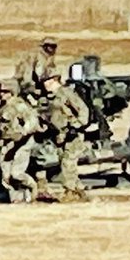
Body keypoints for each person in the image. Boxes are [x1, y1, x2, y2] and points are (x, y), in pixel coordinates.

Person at [41, 72, 90, 201]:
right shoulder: (51, 97)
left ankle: (71, 192)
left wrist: (77, 126)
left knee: (68, 164)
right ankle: (79, 191)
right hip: (61, 136)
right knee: (68, 165)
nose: (45, 85)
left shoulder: (66, 93)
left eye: (47, 81)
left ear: (54, 80)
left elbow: (83, 110)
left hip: (72, 136)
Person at [0, 79, 42, 203]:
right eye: (0, 91)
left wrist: (23, 133)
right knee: (6, 176)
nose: (1, 94)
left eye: (5, 91)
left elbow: (32, 122)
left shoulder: (19, 105)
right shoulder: (1, 108)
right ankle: (17, 199)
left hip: (22, 144)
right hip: (7, 144)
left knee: (16, 173)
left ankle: (32, 186)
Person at [14, 36, 59, 103]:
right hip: (29, 88)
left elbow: (52, 75)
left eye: (54, 46)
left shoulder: (48, 59)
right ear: (45, 47)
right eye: (51, 46)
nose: (53, 49)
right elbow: (30, 77)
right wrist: (33, 89)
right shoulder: (38, 58)